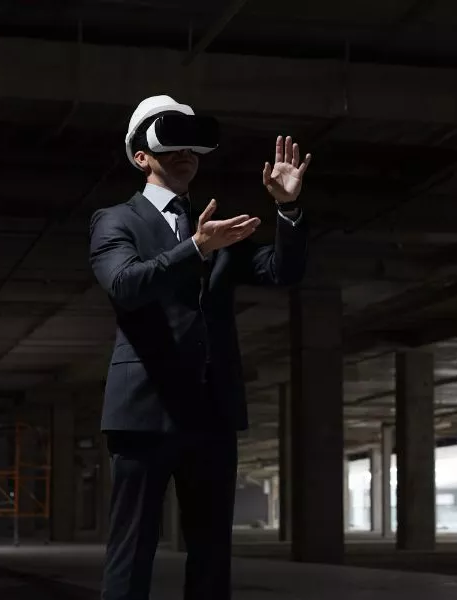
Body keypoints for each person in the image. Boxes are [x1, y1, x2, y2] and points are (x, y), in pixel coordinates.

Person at [88, 95, 311, 600]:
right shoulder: (116, 220)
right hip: (144, 413)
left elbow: (284, 271)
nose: (183, 152)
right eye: (168, 143)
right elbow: (125, 285)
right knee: (132, 549)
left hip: (211, 413)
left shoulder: (218, 227)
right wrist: (194, 249)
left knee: (212, 554)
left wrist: (288, 208)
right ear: (140, 156)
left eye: (191, 144)